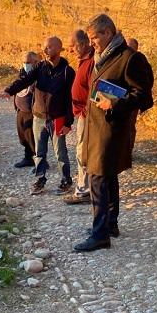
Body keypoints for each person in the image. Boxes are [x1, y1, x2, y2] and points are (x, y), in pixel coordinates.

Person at [73, 14, 154, 252]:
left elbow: (144, 96)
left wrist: (115, 105)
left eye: (94, 37)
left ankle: (100, 235)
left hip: (111, 130)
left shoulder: (130, 58)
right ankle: (110, 224)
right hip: (97, 129)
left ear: (108, 32)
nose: (91, 43)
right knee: (107, 177)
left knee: (97, 179)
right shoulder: (101, 57)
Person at [0, 37, 75, 195]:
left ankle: (66, 181)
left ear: (59, 48)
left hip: (58, 118)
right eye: (44, 48)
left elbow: (70, 99)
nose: (45, 51)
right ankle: (40, 179)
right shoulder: (40, 67)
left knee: (60, 152)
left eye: (49, 47)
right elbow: (25, 80)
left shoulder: (68, 72)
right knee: (39, 152)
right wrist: (9, 91)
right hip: (39, 117)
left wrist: (68, 122)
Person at [63, 30, 95, 205]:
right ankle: (86, 188)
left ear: (82, 44)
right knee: (82, 152)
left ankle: (84, 190)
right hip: (82, 114)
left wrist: (86, 112)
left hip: (87, 115)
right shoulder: (83, 61)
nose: (70, 50)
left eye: (72, 46)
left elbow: (94, 91)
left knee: (82, 153)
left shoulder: (91, 62)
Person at [13, 51, 40, 169]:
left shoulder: (39, 75)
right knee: (23, 136)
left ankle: (39, 161)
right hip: (21, 110)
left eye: (28, 62)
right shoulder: (22, 74)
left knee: (32, 138)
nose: (25, 64)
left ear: (36, 62)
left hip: (31, 112)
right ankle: (28, 158)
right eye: (24, 62)